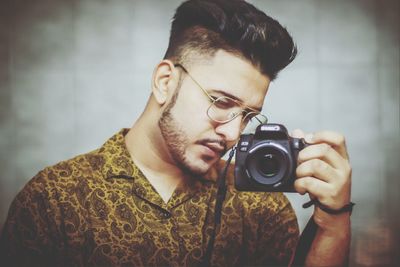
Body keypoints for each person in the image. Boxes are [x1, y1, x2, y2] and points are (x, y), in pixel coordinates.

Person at [0, 0, 353, 266]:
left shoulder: (261, 206)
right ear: (165, 82)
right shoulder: (55, 200)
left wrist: (333, 221)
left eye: (248, 116)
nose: (232, 133)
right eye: (221, 102)